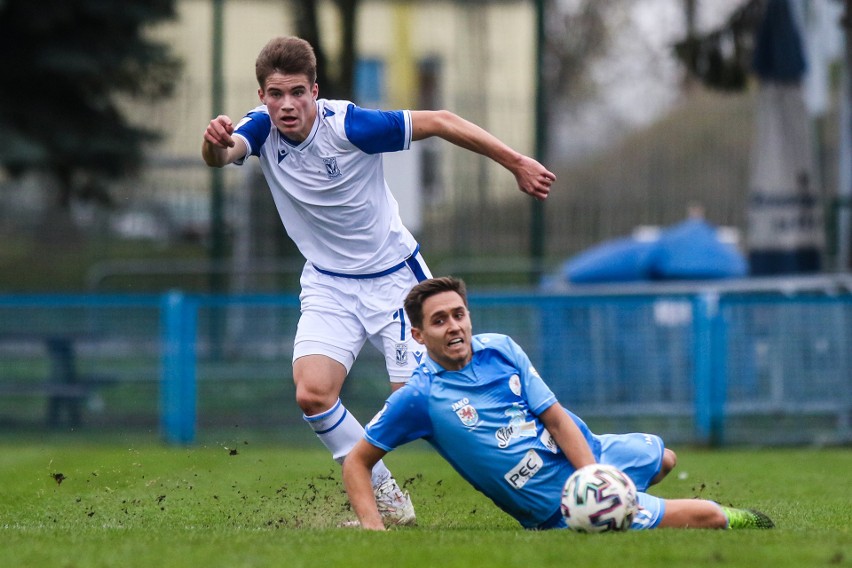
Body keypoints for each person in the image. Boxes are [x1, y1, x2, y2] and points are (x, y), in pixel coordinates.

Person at [201, 37, 556, 526]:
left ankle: (542, 453)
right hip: (328, 284)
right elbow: (222, 155)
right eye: (276, 93)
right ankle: (386, 495)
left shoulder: (351, 126)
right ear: (262, 95)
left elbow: (444, 121)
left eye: (298, 92)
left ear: (315, 91)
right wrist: (213, 141)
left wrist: (515, 162)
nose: (287, 105)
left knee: (432, 408)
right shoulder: (260, 129)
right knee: (312, 393)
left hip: (395, 282)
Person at [343, 276, 775, 531]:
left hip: (580, 454)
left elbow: (555, 416)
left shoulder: (500, 348)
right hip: (555, 501)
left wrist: (594, 475)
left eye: (459, 314)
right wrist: (374, 530)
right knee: (708, 518)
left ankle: (624, 492)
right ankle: (747, 520)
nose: (454, 326)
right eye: (439, 320)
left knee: (665, 459)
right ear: (418, 336)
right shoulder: (419, 396)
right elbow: (357, 461)